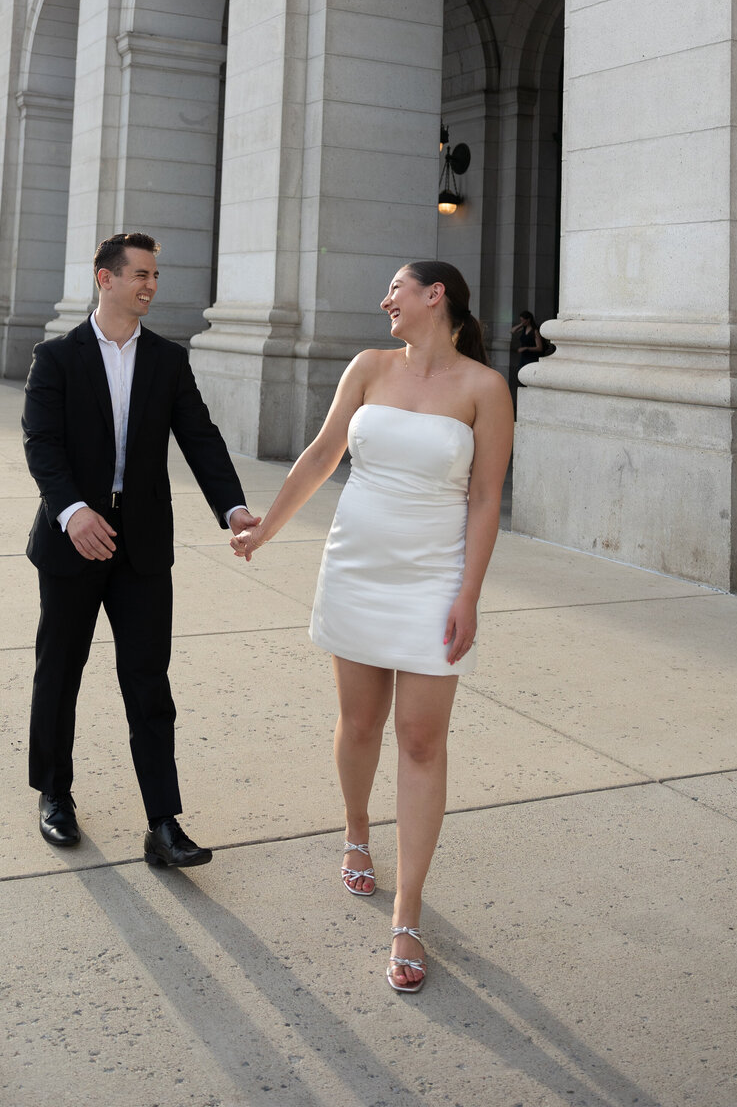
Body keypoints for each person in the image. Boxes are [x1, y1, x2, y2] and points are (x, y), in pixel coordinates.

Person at [231, 260, 512, 995]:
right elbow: (325, 454)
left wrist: (469, 595)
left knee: (421, 740)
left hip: (433, 582)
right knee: (359, 725)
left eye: (395, 288)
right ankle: (357, 830)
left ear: (435, 294)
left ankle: (408, 911)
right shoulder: (367, 366)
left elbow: (485, 500)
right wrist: (267, 529)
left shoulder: (485, 388)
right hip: (356, 568)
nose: (384, 298)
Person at [22, 232, 260, 868]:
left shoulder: (166, 359)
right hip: (75, 541)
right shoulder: (57, 356)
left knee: (149, 683)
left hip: (145, 545)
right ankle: (54, 794)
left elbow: (200, 438)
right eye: (140, 275)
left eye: (155, 275)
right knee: (60, 671)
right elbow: (40, 444)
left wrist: (232, 507)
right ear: (105, 279)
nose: (151, 285)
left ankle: (163, 822)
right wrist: (71, 512)